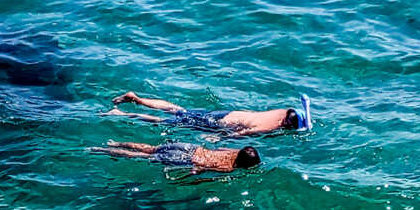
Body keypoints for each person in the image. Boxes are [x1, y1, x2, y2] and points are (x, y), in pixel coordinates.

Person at [104, 91, 312, 136]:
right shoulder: (273, 126)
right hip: (220, 124)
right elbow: (244, 133)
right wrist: (217, 137)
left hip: (227, 113)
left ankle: (137, 99)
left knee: (178, 110)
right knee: (167, 122)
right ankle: (121, 115)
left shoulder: (282, 111)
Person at [91, 140, 261, 173]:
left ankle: (114, 144)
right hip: (187, 160)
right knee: (141, 157)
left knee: (150, 149)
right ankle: (101, 150)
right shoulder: (228, 168)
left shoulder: (234, 151)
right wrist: (188, 177)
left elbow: (219, 147)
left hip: (190, 147)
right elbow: (201, 169)